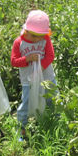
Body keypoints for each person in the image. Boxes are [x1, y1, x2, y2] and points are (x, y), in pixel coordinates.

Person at [11, 10, 55, 138]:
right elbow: (14, 61)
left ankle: (53, 122)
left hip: (47, 77)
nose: (37, 40)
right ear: (26, 31)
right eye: (34, 36)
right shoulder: (19, 42)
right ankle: (22, 129)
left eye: (40, 36)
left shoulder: (46, 39)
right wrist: (27, 59)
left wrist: (40, 68)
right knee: (26, 103)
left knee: (52, 99)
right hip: (28, 81)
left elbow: (50, 56)